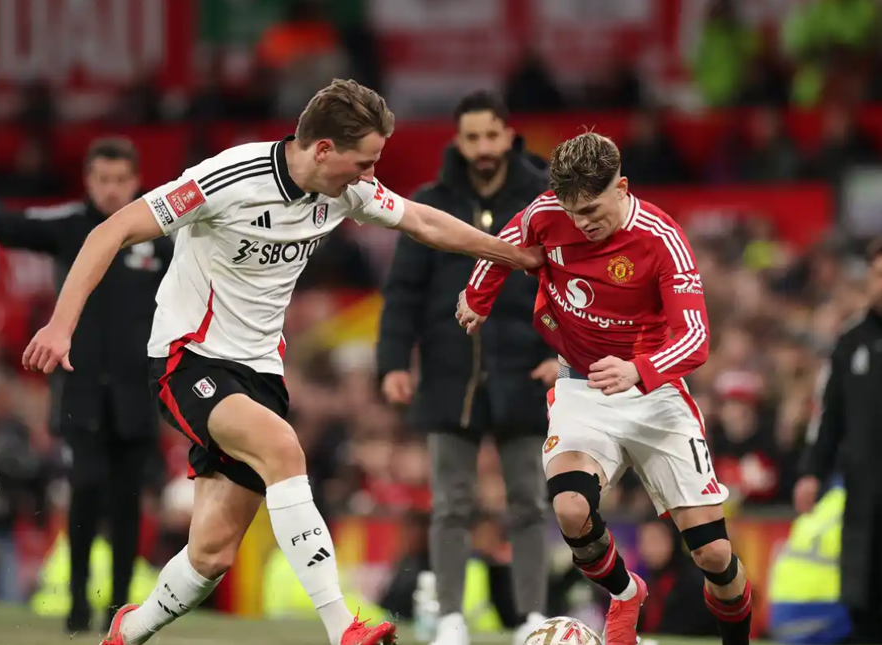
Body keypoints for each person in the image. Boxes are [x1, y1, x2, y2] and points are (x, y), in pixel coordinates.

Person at [20, 79, 543, 645]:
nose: (370, 176)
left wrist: (514, 256)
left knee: (212, 554)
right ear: (323, 149)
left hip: (261, 372)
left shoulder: (347, 191)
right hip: (189, 357)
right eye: (363, 162)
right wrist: (60, 324)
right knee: (284, 449)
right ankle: (344, 627)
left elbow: (423, 221)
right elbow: (113, 228)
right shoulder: (228, 178)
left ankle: (127, 631)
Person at [456, 132, 753, 645]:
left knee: (714, 556)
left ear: (623, 187)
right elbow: (500, 246)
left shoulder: (662, 239)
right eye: (573, 212)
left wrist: (639, 369)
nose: (582, 222)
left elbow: (697, 337)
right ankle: (623, 594)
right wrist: (478, 297)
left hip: (656, 395)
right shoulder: (546, 212)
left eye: (592, 208)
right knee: (571, 508)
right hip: (582, 387)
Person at [0, 138, 171, 633]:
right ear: (88, 180)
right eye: (102, 180)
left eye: (120, 181)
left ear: (135, 181)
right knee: (85, 490)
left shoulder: (159, 233)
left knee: (129, 500)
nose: (111, 190)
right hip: (80, 389)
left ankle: (123, 609)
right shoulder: (70, 226)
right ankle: (79, 602)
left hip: (138, 392)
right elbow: (7, 228)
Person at [377, 90, 554, 645]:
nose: (481, 147)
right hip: (449, 372)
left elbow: (569, 281)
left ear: (508, 135)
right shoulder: (431, 200)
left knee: (529, 500)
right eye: (471, 137)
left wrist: (562, 355)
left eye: (490, 135)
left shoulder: (544, 199)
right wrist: (392, 362)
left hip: (527, 370)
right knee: (450, 502)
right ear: (459, 140)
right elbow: (402, 291)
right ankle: (450, 617)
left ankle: (532, 617)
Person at [794, 237, 882, 644]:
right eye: (879, 274)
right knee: (863, 601)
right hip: (865, 498)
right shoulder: (851, 343)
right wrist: (812, 471)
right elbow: (827, 417)